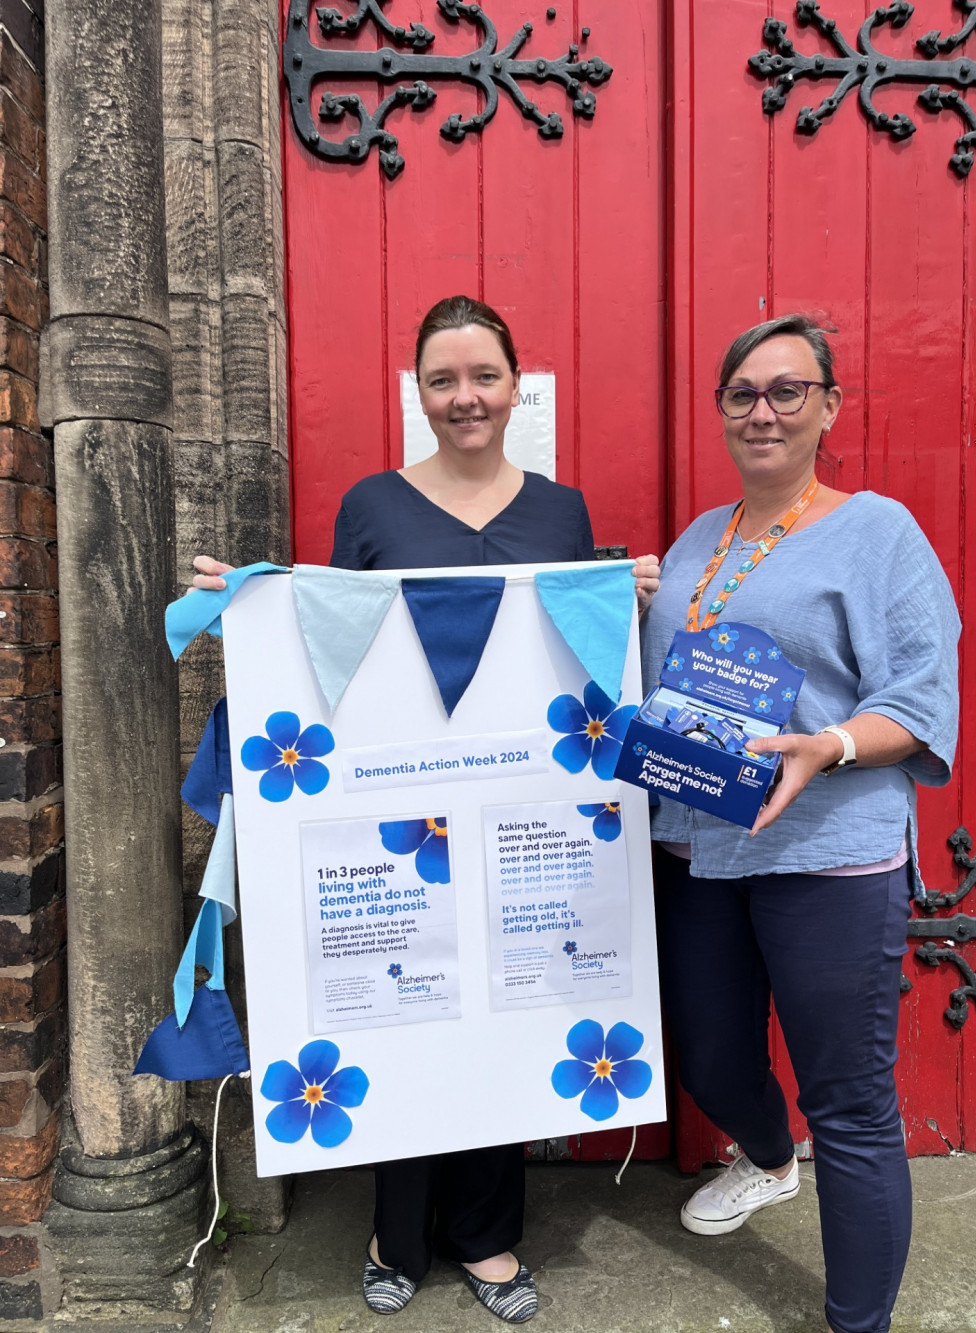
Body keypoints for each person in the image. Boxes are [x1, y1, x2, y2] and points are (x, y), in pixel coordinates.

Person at [193, 294, 660, 1323]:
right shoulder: (372, 506)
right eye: (443, 380)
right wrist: (257, 604)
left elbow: (574, 645)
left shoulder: (560, 512)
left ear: (514, 384)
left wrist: (628, 594)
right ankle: (393, 1231)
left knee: (510, 1002)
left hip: (523, 815)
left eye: (483, 376)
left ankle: (488, 1237)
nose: (465, 398)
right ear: (418, 391)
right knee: (403, 1004)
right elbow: (327, 644)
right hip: (400, 823)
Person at [641, 313, 959, 1333]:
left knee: (851, 1102)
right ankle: (769, 1162)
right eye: (742, 392)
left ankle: (856, 1320)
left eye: (786, 390)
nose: (763, 410)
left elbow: (920, 694)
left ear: (828, 405)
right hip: (701, 846)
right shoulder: (699, 538)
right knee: (712, 1057)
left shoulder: (878, 532)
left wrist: (828, 744)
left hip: (827, 851)